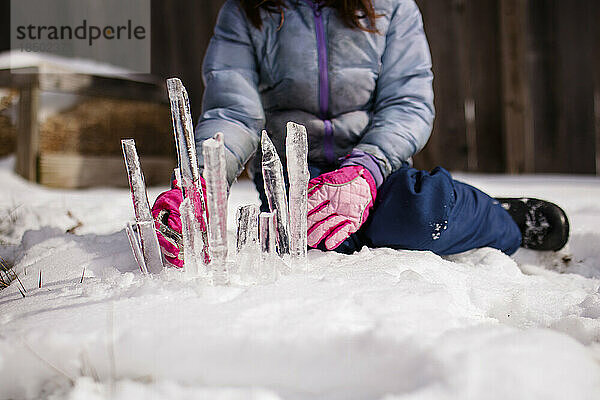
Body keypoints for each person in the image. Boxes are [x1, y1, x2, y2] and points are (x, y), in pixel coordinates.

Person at [152, 0, 569, 268]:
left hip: (374, 163)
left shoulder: (392, 7)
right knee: (323, 241)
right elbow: (233, 110)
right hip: (297, 172)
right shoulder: (246, 12)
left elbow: (408, 103)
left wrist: (364, 171)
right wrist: (203, 182)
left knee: (420, 216)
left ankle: (500, 218)